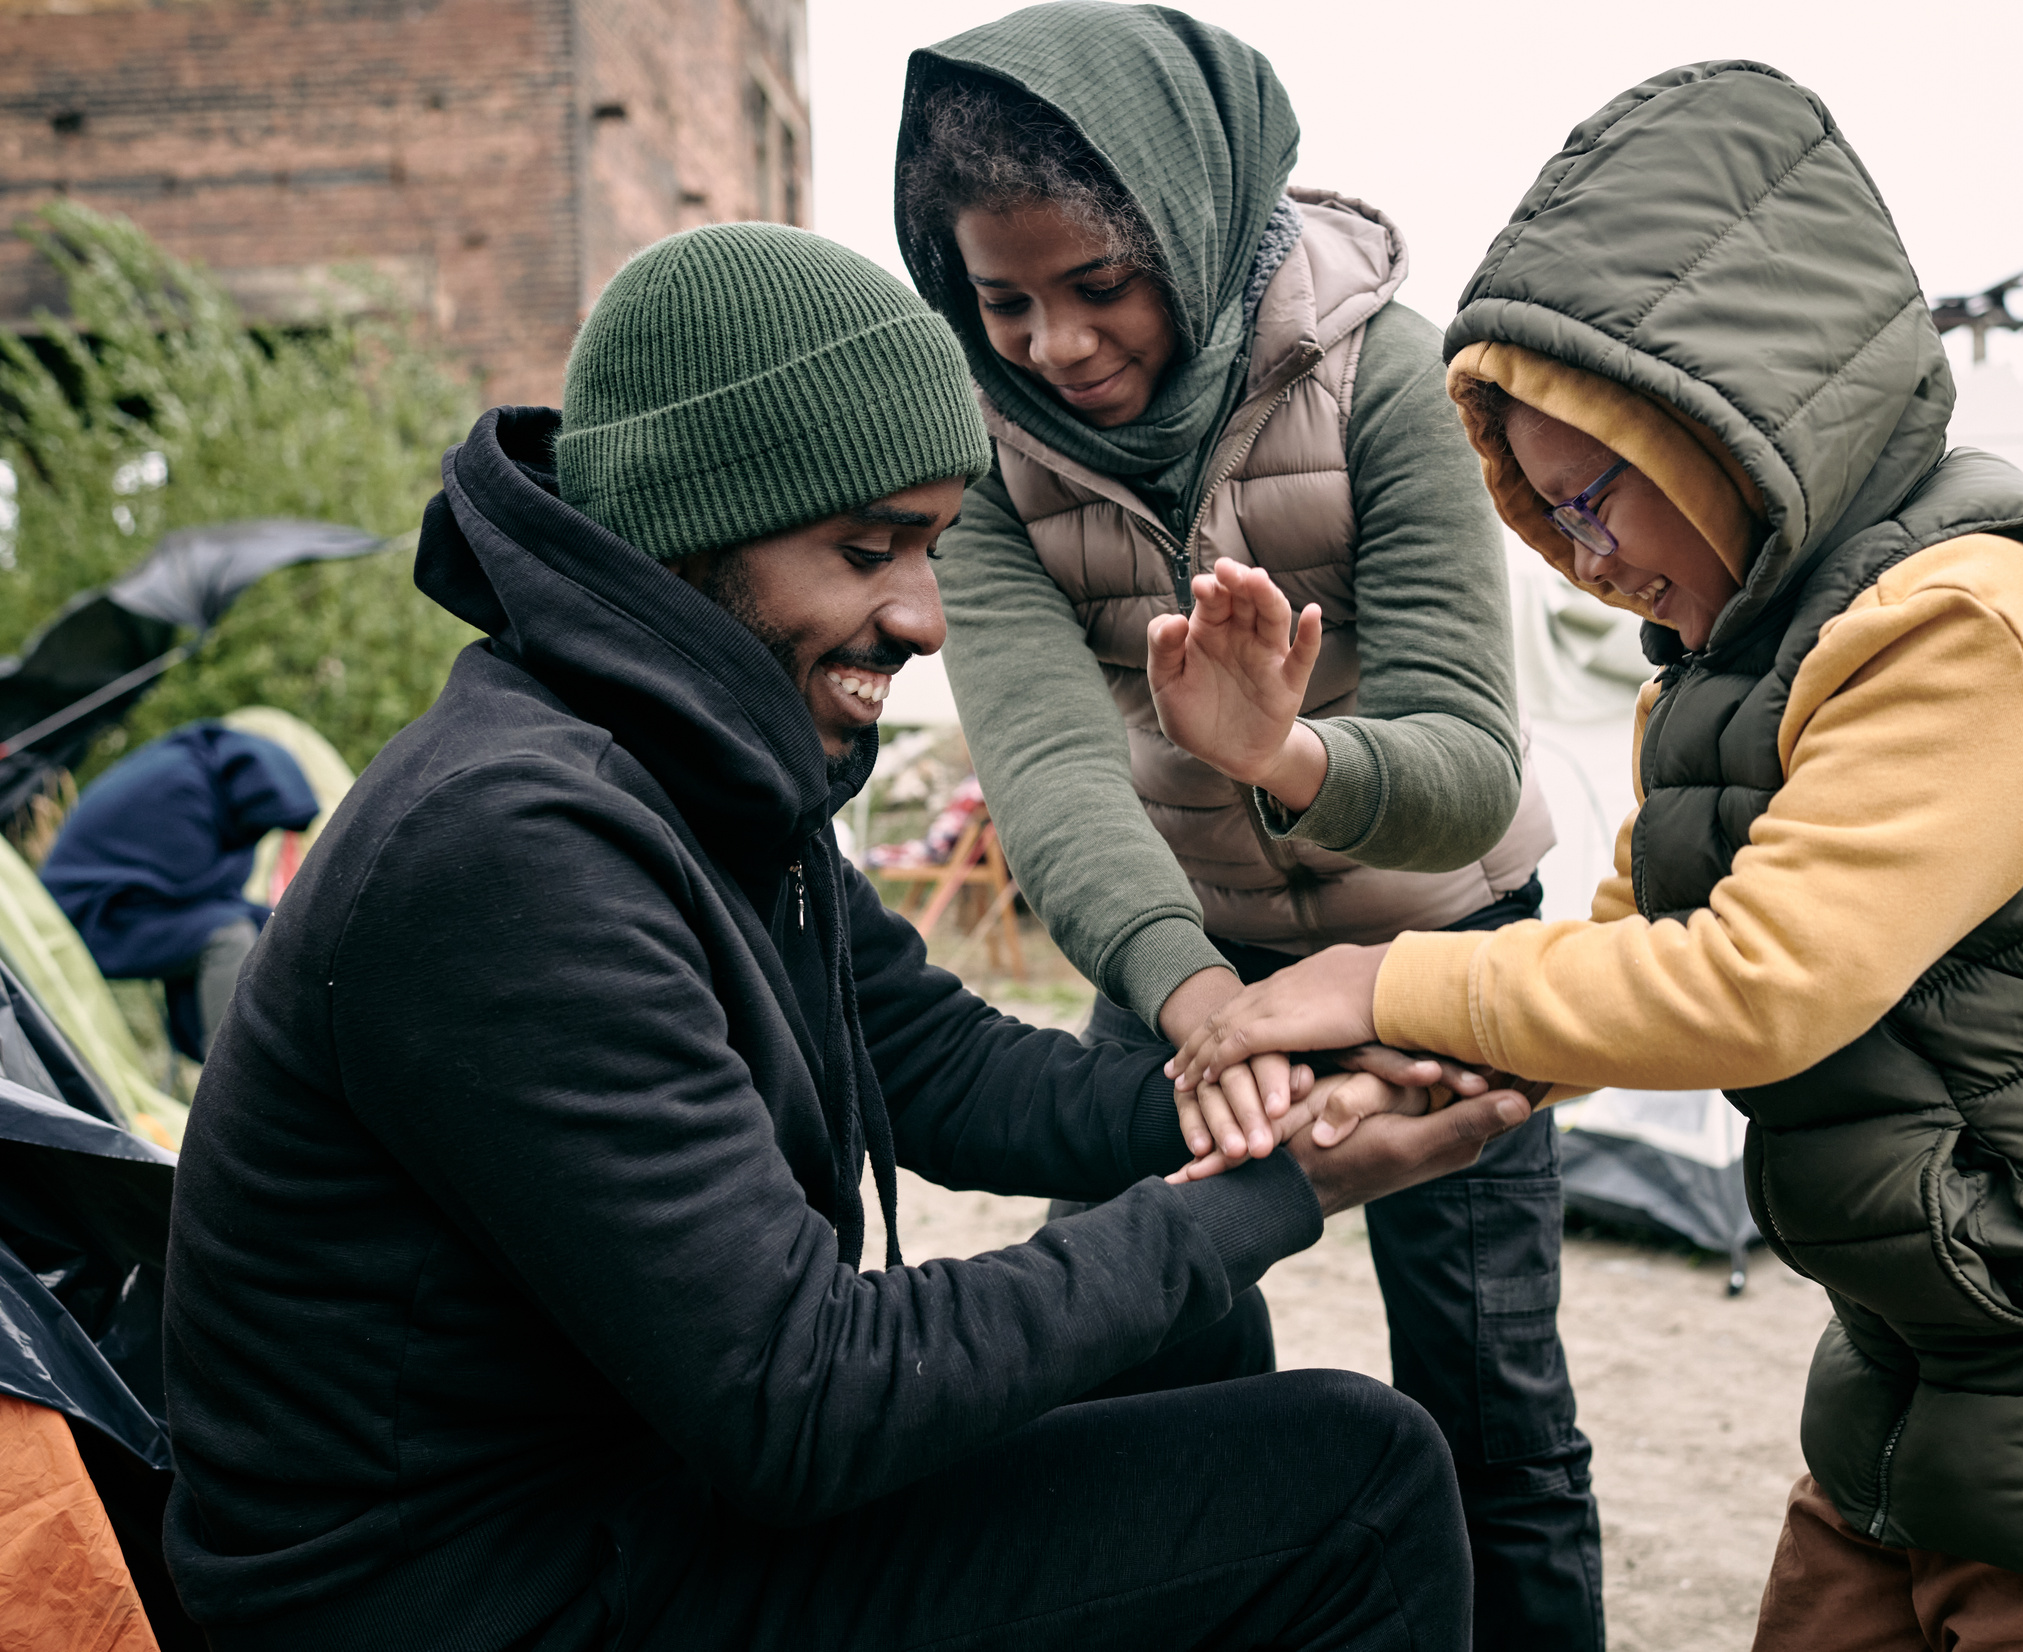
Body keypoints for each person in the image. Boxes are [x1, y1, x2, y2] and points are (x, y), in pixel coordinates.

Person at [1169, 61, 2023, 1652]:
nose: (1585, 556)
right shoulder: (1741, 648)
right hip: (1957, 1328)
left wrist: (1384, 968)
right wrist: (1418, 1062)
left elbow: (1757, 982)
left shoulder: (1966, 614)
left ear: (1727, 408)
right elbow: (1644, 930)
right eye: (1549, 511)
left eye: (1598, 493)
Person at [158, 222, 1537, 1652]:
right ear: (693, 534)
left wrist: (1279, 1083)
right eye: (867, 550)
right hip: (472, 1597)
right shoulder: (512, 846)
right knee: (1355, 1485)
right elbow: (798, 1398)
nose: (925, 617)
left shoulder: (693, 766)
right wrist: (1279, 1192)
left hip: (628, 1497)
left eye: (934, 548)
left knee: (1186, 1339)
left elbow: (938, 1065)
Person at [894, 10, 1597, 1643]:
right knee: (1135, 1341)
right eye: (1000, 300)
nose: (1052, 345)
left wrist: (1283, 753)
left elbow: (1468, 764)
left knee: (1491, 1404)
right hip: (1183, 943)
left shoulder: (1384, 371)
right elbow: (1053, 760)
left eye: (1095, 286)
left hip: (1442, 934)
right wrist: (1197, 1003)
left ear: (1189, 226)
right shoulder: (982, 451)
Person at [41, 720, 318, 1060]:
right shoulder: (181, 787)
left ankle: (290, 1058)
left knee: (271, 922)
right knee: (229, 936)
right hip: (90, 918)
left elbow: (211, 889)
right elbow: (194, 890)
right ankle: (233, 1073)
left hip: (135, 906)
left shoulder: (209, 779)